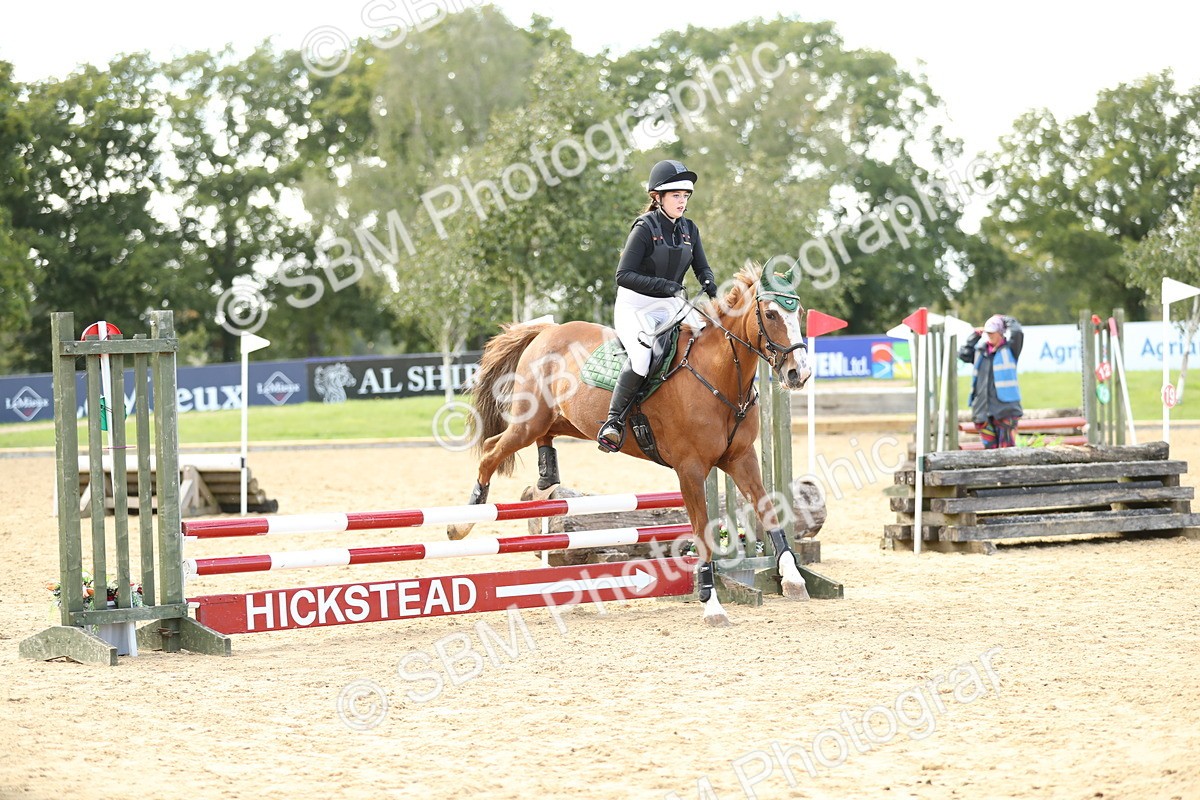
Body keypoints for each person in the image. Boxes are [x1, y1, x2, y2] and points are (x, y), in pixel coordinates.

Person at [596, 159, 718, 451]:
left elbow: (701, 267)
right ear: (658, 197)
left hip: (671, 304)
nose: (682, 201)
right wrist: (665, 286)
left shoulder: (690, 229)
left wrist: (709, 280)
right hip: (636, 306)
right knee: (641, 357)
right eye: (676, 195)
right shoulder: (644, 228)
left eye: (685, 196)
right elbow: (623, 276)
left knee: (709, 340)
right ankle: (613, 422)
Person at [958, 314, 1024, 448]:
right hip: (983, 411)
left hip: (1006, 410)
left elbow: (1017, 332)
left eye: (993, 332)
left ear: (1000, 332)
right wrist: (975, 336)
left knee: (1007, 450)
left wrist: (1005, 319)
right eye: (988, 333)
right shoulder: (980, 351)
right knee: (990, 453)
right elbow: (963, 353)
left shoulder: (1010, 349)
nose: (990, 335)